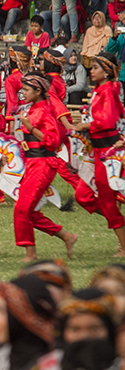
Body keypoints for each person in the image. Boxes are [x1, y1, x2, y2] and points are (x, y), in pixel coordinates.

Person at [15, 73, 78, 260]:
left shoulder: (45, 111)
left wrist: (30, 127)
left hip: (43, 164)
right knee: (29, 211)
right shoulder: (33, 109)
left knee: (22, 208)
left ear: (38, 91)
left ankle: (31, 253)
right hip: (32, 163)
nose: (23, 93)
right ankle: (66, 236)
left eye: (26, 90)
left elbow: (52, 142)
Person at [73, 55, 125, 253]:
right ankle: (119, 222)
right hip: (96, 150)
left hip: (108, 151)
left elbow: (108, 120)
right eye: (91, 68)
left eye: (95, 68)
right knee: (82, 195)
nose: (91, 71)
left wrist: (86, 125)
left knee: (107, 200)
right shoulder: (99, 90)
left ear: (107, 71)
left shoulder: (109, 91)